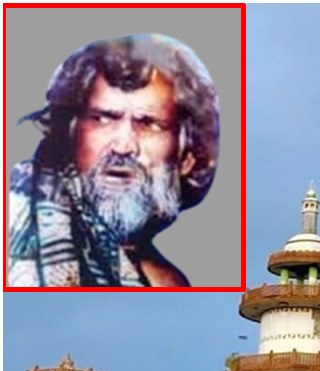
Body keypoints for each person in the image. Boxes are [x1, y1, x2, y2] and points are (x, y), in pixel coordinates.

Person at [7, 34, 219, 287]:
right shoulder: (12, 216)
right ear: (70, 133)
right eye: (103, 119)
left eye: (148, 124)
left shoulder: (168, 281)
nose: (122, 146)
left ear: (186, 158)